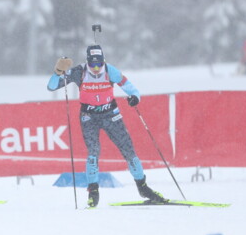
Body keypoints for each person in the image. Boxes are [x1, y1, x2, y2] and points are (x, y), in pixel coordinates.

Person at [48, 44, 166, 207]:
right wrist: (57, 72)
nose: (96, 68)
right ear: (87, 62)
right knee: (93, 152)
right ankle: (93, 191)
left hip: (111, 115)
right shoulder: (79, 72)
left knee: (128, 150)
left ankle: (143, 187)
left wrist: (135, 98)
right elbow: (52, 86)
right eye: (92, 64)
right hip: (89, 117)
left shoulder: (110, 70)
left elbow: (131, 88)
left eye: (99, 64)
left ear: (103, 61)